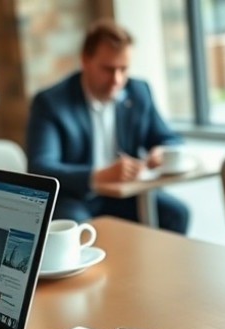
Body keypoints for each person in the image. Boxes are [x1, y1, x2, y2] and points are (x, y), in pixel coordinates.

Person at [26, 18, 189, 234]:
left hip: (126, 194)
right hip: (76, 197)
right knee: (79, 230)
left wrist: (161, 151)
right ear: (85, 60)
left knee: (177, 213)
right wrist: (98, 175)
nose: (117, 79)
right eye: (108, 69)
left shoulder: (138, 91)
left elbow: (169, 138)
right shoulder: (51, 102)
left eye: (124, 69)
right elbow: (41, 167)